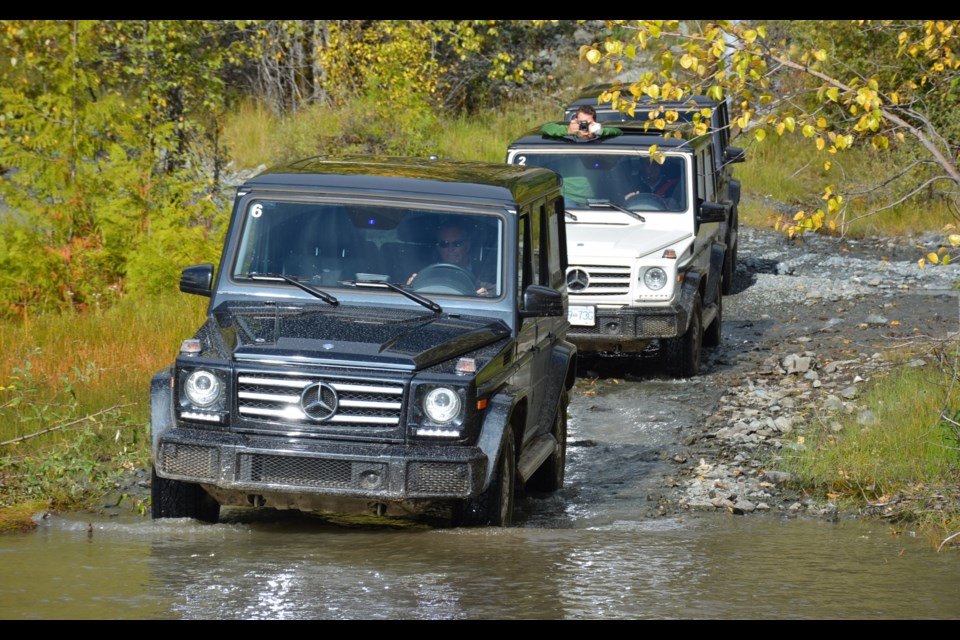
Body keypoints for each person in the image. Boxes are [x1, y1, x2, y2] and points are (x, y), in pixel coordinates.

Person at [406, 220, 495, 295]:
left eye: (457, 243)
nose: (450, 249)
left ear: (467, 245)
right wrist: (409, 288)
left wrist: (486, 296)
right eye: (444, 244)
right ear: (438, 248)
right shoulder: (424, 273)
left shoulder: (484, 274)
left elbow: (497, 295)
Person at [540, 105, 622, 140]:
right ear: (576, 121)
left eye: (588, 123)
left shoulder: (600, 133)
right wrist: (567, 131)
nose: (584, 127)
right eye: (582, 123)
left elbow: (619, 132)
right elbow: (545, 128)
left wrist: (599, 131)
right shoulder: (571, 132)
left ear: (595, 122)